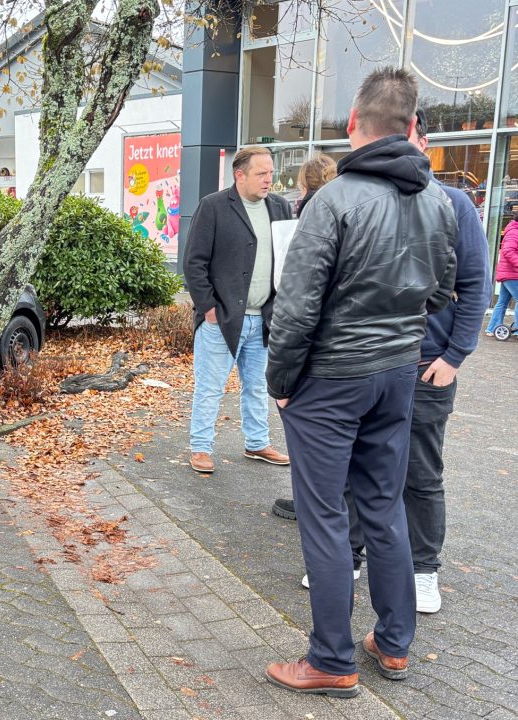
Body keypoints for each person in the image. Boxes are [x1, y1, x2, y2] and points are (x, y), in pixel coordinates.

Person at [263, 68, 457, 697]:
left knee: (324, 514)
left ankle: (331, 658)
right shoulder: (438, 201)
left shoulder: (334, 201)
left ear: (353, 124)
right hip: (397, 374)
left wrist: (281, 380)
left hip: (332, 378)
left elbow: (296, 308)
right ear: (411, 126)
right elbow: (442, 292)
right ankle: (394, 644)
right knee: (383, 504)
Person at [273, 110, 492, 612]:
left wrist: (455, 355)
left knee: (417, 475)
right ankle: (355, 566)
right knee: (362, 478)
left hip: (418, 364)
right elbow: (432, 291)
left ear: (420, 139)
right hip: (380, 363)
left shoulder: (448, 203)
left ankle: (422, 570)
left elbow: (472, 285)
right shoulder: (370, 200)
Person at [183, 146, 292, 474]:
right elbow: (194, 263)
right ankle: (201, 448)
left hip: (264, 319)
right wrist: (209, 308)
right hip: (222, 319)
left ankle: (257, 442)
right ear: (239, 175)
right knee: (210, 387)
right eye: (261, 174)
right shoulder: (213, 206)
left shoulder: (280, 207)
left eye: (271, 173)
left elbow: (288, 258)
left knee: (257, 387)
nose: (268, 179)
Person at [485, 209, 518, 335]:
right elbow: (508, 251)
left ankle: (492, 328)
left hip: (509, 273)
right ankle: (517, 331)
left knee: (502, 302)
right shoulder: (514, 232)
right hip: (511, 273)